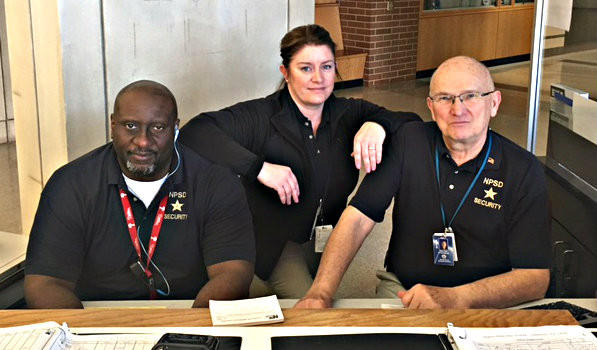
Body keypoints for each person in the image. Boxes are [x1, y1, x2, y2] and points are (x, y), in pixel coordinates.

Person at [179, 24, 421, 298]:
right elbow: (194, 132)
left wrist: (378, 125)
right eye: (306, 68)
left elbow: (411, 123)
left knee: (320, 285)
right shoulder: (262, 115)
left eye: (327, 67)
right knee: (312, 308)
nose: (318, 78)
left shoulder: (348, 113)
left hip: (323, 235)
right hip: (275, 244)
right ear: (286, 72)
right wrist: (258, 168)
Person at [296, 56, 551, 309]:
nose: (457, 109)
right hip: (404, 292)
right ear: (430, 106)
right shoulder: (409, 142)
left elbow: (535, 278)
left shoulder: (523, 169)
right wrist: (320, 292)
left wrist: (457, 297)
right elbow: (359, 217)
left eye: (471, 96)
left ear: (494, 103)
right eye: (445, 98)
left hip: (488, 302)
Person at [24, 80, 255, 308]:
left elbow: (233, 273)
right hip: (96, 319)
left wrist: (190, 333)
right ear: (113, 125)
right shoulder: (70, 184)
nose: (143, 141)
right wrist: (82, 337)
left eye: (158, 127)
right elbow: (45, 284)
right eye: (130, 126)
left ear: (175, 128)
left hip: (191, 312)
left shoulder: (215, 183)